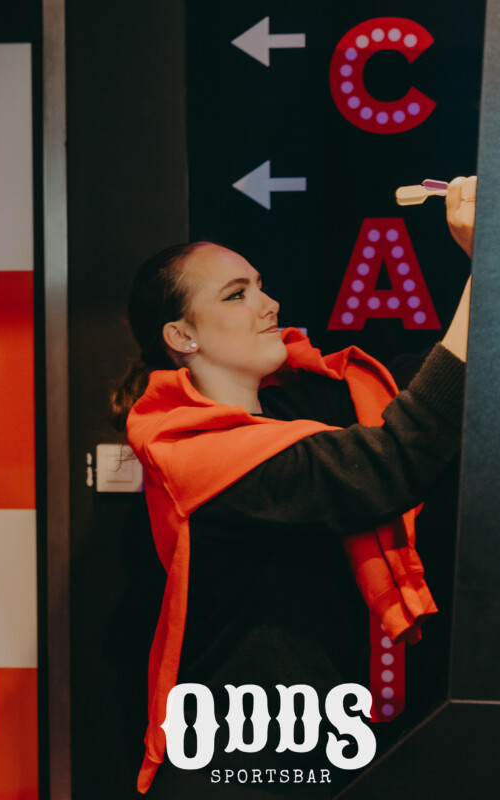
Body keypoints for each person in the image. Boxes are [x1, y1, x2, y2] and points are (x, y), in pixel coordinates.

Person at [108, 177, 477, 797]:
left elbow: (412, 392)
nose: (269, 303)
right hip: (236, 771)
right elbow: (392, 460)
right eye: (237, 294)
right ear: (181, 337)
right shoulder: (200, 454)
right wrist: (485, 268)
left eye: (260, 285)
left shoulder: (288, 415)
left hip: (306, 757)